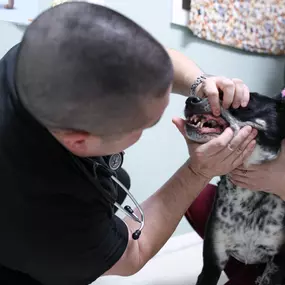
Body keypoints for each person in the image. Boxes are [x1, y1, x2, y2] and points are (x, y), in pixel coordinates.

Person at [0, 2, 257, 285]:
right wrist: (198, 172)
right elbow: (133, 253)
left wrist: (200, 82)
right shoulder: (55, 223)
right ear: (78, 140)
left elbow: (154, 63)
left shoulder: (43, 51)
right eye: (144, 126)